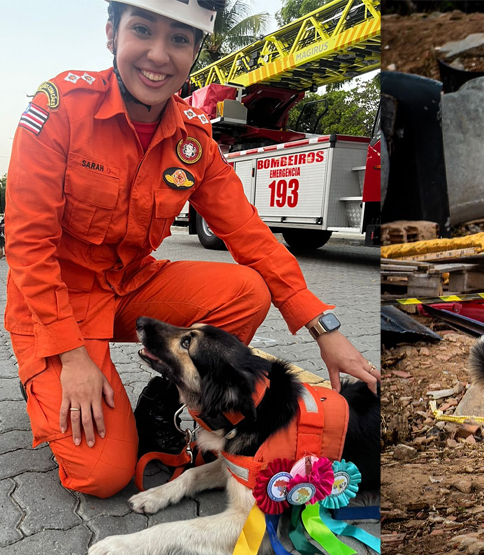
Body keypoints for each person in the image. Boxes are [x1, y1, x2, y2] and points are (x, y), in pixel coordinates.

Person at [4, 0, 381, 499]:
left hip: (129, 286)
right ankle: (48, 384)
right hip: (54, 305)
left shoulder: (194, 141)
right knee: (103, 475)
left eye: (180, 39)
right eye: (143, 29)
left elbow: (249, 235)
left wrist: (322, 325)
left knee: (247, 291)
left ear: (195, 51)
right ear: (112, 33)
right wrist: (73, 360)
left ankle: (164, 403)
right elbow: (28, 243)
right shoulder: (61, 109)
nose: (159, 55)